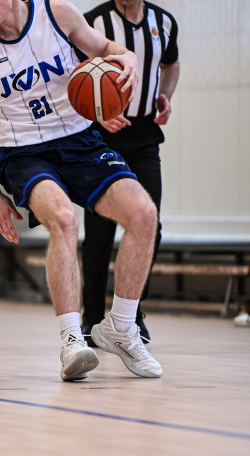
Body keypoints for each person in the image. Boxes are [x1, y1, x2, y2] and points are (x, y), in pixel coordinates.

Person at [0, 0, 162, 380]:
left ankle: (121, 327)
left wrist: (128, 58)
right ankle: (71, 340)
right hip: (23, 153)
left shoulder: (58, 13)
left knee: (144, 215)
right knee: (64, 218)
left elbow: (106, 48)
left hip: (79, 141)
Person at [78, 0, 180, 344]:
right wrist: (95, 113)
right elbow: (71, 77)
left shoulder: (164, 22)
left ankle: (131, 315)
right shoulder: (93, 22)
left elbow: (171, 63)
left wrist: (164, 96)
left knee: (150, 225)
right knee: (99, 233)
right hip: (102, 138)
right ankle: (92, 316)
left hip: (145, 137)